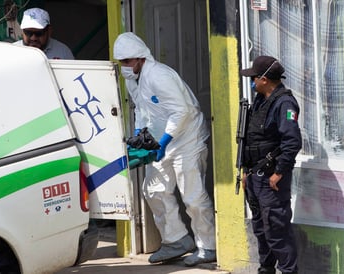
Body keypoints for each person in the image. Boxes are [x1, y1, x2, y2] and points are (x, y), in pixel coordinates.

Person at [113, 32, 216, 266]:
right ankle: (176, 240)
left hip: (187, 139)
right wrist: (141, 134)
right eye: (122, 63)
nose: (125, 67)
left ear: (140, 58)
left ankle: (207, 246)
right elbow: (140, 108)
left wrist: (164, 141)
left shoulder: (159, 75)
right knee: (154, 190)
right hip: (162, 140)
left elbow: (182, 112)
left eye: (128, 62)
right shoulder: (132, 79)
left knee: (193, 195)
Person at [240, 56, 302, 274]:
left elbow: (292, 142)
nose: (251, 82)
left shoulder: (284, 103)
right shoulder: (260, 100)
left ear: (264, 79)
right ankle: (266, 269)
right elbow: (253, 139)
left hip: (271, 179)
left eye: (254, 78)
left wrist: (279, 172)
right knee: (261, 230)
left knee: (277, 231)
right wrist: (246, 171)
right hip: (255, 177)